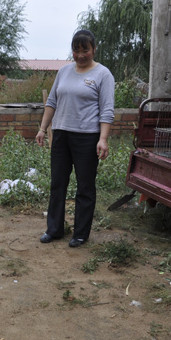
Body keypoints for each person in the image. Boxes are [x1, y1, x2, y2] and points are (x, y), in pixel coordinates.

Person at [35, 29, 115, 248]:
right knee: (57, 183)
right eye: (76, 50)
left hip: (87, 138)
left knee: (85, 186)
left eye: (85, 50)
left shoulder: (103, 74)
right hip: (61, 134)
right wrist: (43, 129)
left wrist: (103, 138)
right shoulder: (64, 72)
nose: (80, 55)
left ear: (94, 49)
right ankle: (54, 229)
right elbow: (52, 102)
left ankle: (80, 234)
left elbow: (107, 110)